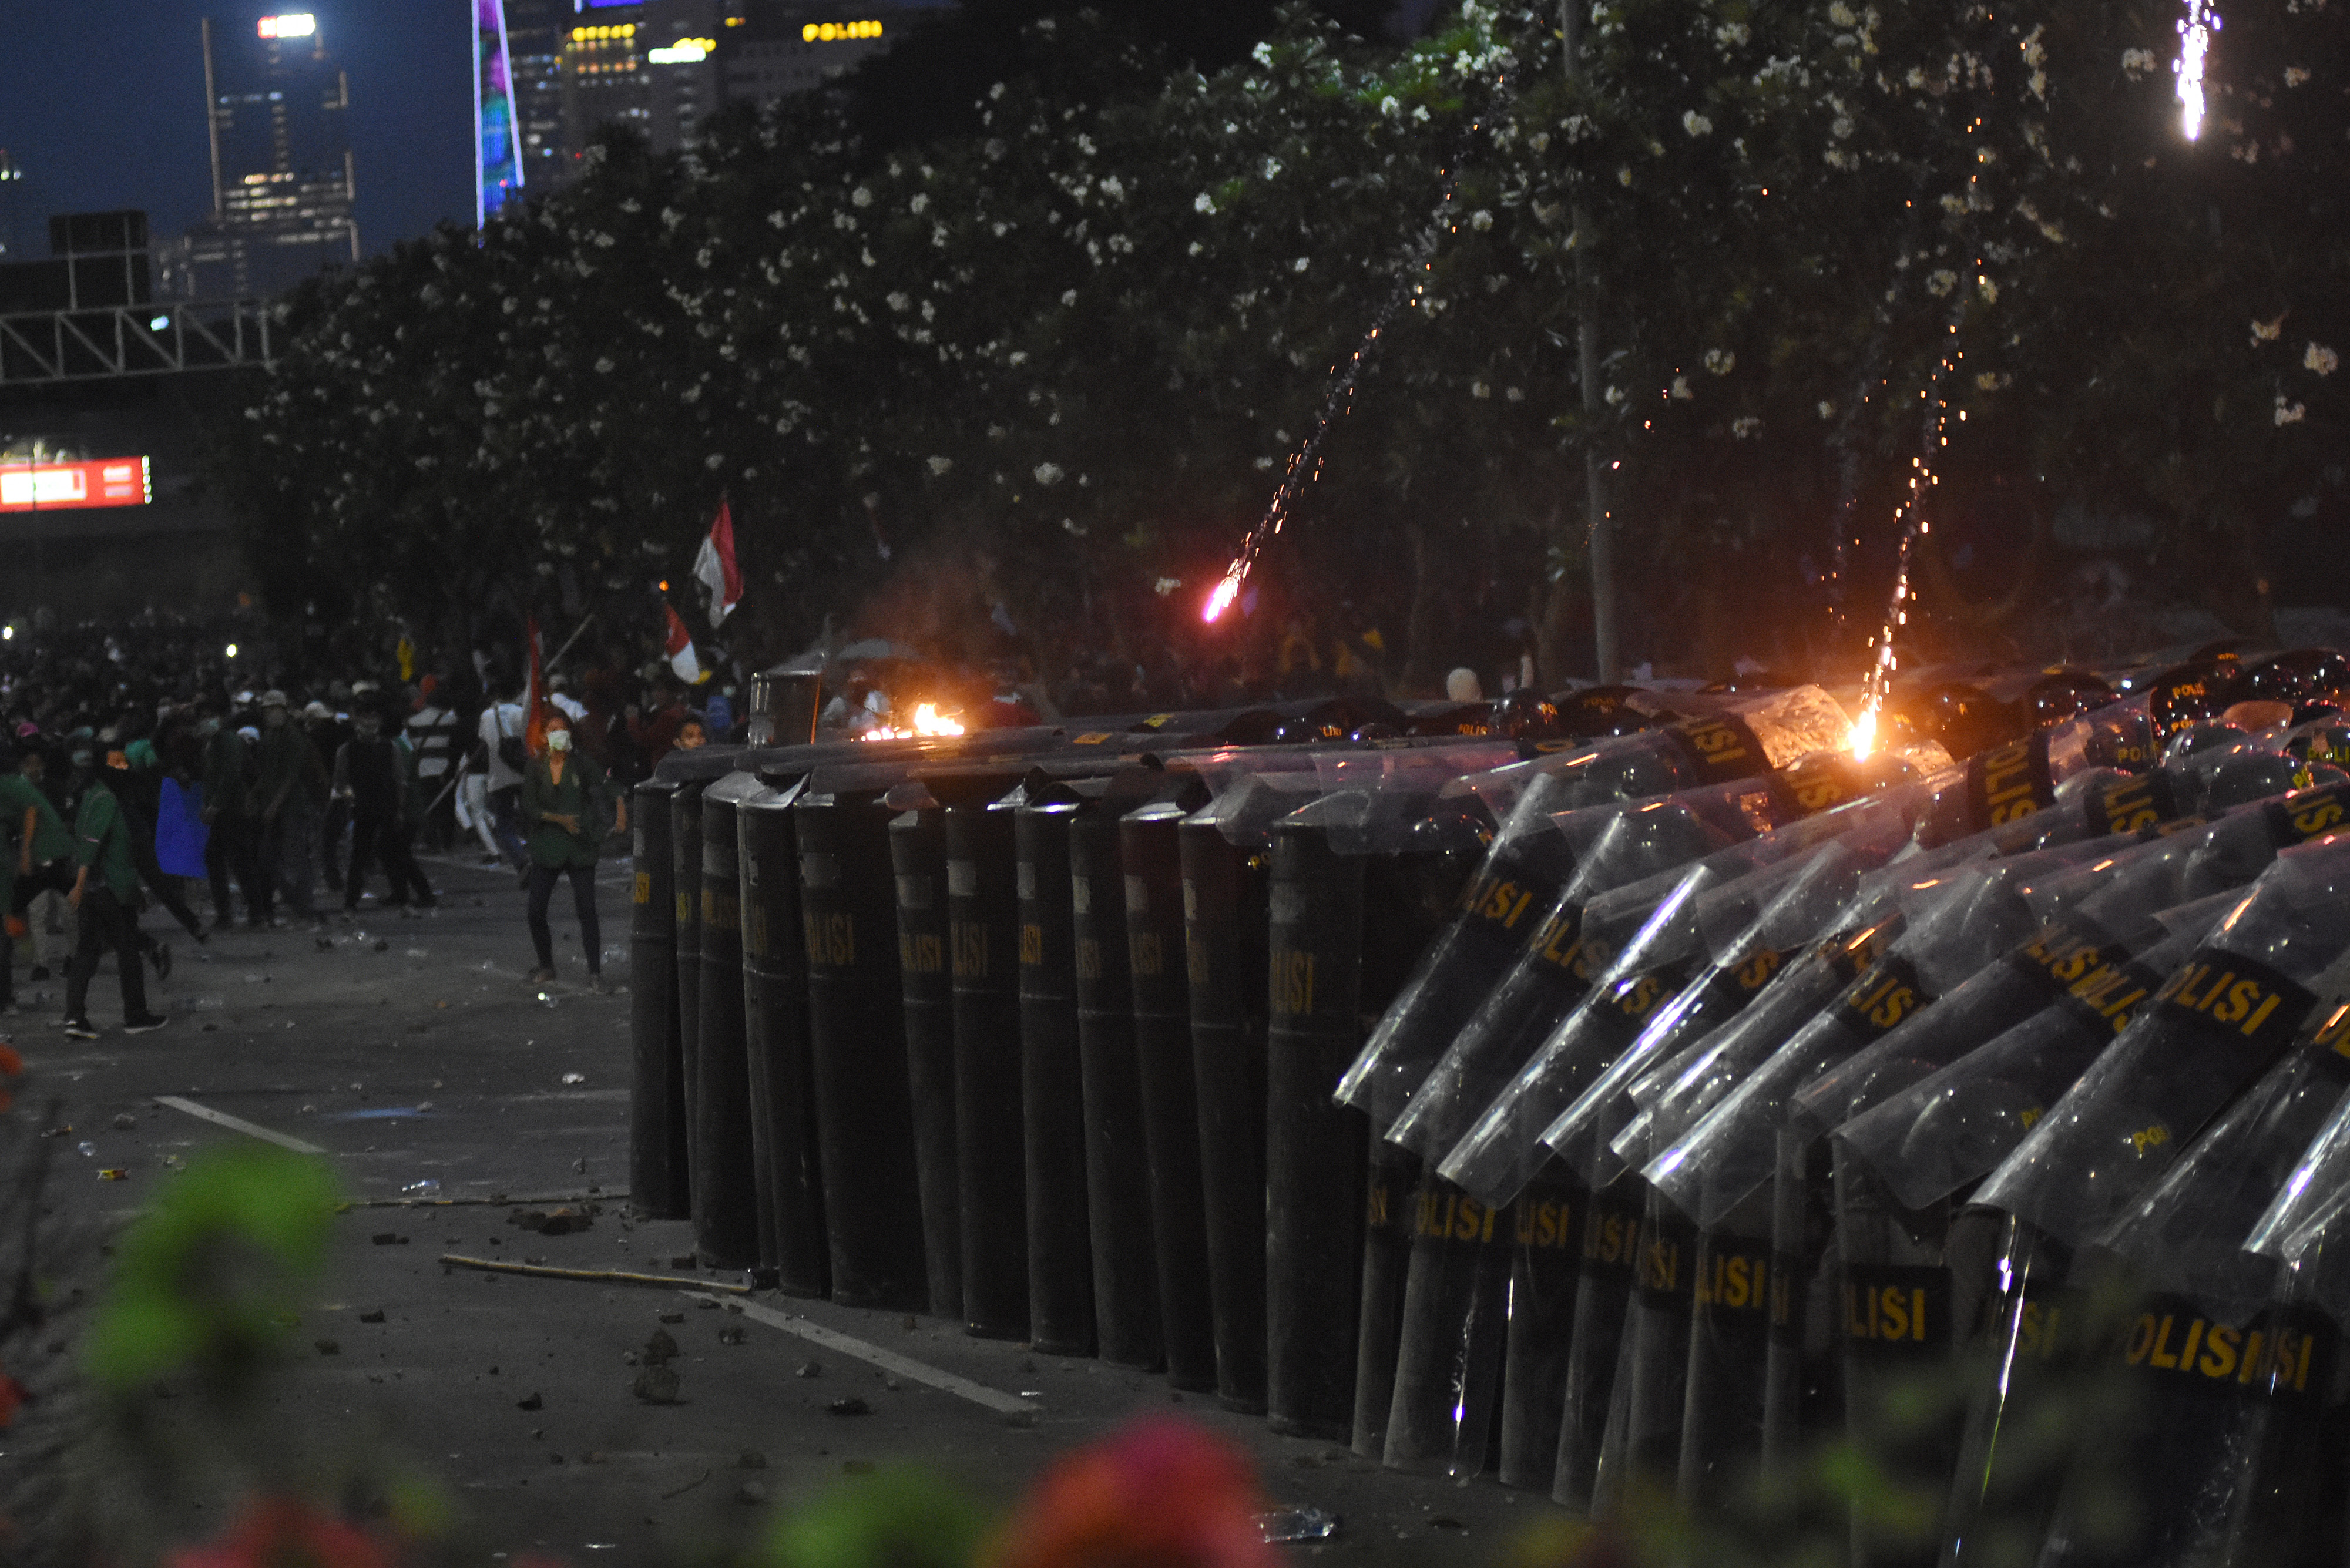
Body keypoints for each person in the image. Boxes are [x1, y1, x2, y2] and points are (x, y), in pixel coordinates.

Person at [61, 744, 166, 1038]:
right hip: (109, 890)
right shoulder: (107, 799)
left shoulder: (90, 795)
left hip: (99, 889)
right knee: (128, 953)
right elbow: (93, 843)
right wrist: (81, 884)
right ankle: (135, 1015)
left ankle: (74, 1018)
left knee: (86, 955)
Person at [520, 713, 621, 992]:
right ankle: (546, 964)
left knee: (587, 910)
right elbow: (529, 807)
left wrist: (621, 810)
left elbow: (608, 782)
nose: (560, 736)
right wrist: (559, 819)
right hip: (548, 846)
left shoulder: (582, 764)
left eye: (564, 730)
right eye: (553, 731)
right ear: (543, 737)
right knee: (536, 910)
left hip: (580, 846)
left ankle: (595, 973)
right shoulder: (535, 769)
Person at [334, 707, 432, 914]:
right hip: (364, 807)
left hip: (386, 806)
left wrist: (399, 809)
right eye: (364, 717)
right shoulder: (348, 750)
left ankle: (407, 896)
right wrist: (351, 799)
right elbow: (341, 783)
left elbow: (401, 781)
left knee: (392, 853)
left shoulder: (389, 748)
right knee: (362, 855)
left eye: (373, 717)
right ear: (356, 721)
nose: (369, 723)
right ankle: (353, 900)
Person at [0, 746, 75, 1013]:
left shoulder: (9, 790)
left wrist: (25, 853)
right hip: (47, 857)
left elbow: (30, 813)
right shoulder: (15, 788)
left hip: (42, 859)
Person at [251, 690, 328, 929]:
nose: (271, 714)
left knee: (295, 859)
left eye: (275, 709)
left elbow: (291, 777)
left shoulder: (294, 738)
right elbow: (266, 773)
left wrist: (274, 805)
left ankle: (304, 910)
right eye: (267, 710)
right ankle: (296, 904)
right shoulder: (268, 737)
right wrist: (255, 795)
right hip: (273, 805)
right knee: (269, 859)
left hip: (292, 806)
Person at [200, 696, 261, 930]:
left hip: (232, 811)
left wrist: (214, 805)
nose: (207, 721)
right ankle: (248, 913)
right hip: (226, 810)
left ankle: (235, 913)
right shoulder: (214, 743)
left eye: (211, 716)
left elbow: (230, 776)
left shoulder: (228, 742)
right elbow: (213, 778)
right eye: (204, 717)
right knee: (236, 860)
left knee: (232, 860)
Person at [476, 683, 529, 871]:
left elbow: (483, 741)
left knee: (504, 826)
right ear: (516, 692)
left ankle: (521, 861)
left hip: (498, 777)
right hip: (524, 774)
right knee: (532, 819)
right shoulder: (522, 712)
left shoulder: (486, 716)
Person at [404, 679, 461, 850]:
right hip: (446, 767)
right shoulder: (451, 720)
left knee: (430, 804)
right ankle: (447, 840)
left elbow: (412, 746)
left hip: (425, 767)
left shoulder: (413, 722)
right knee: (447, 805)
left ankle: (431, 839)